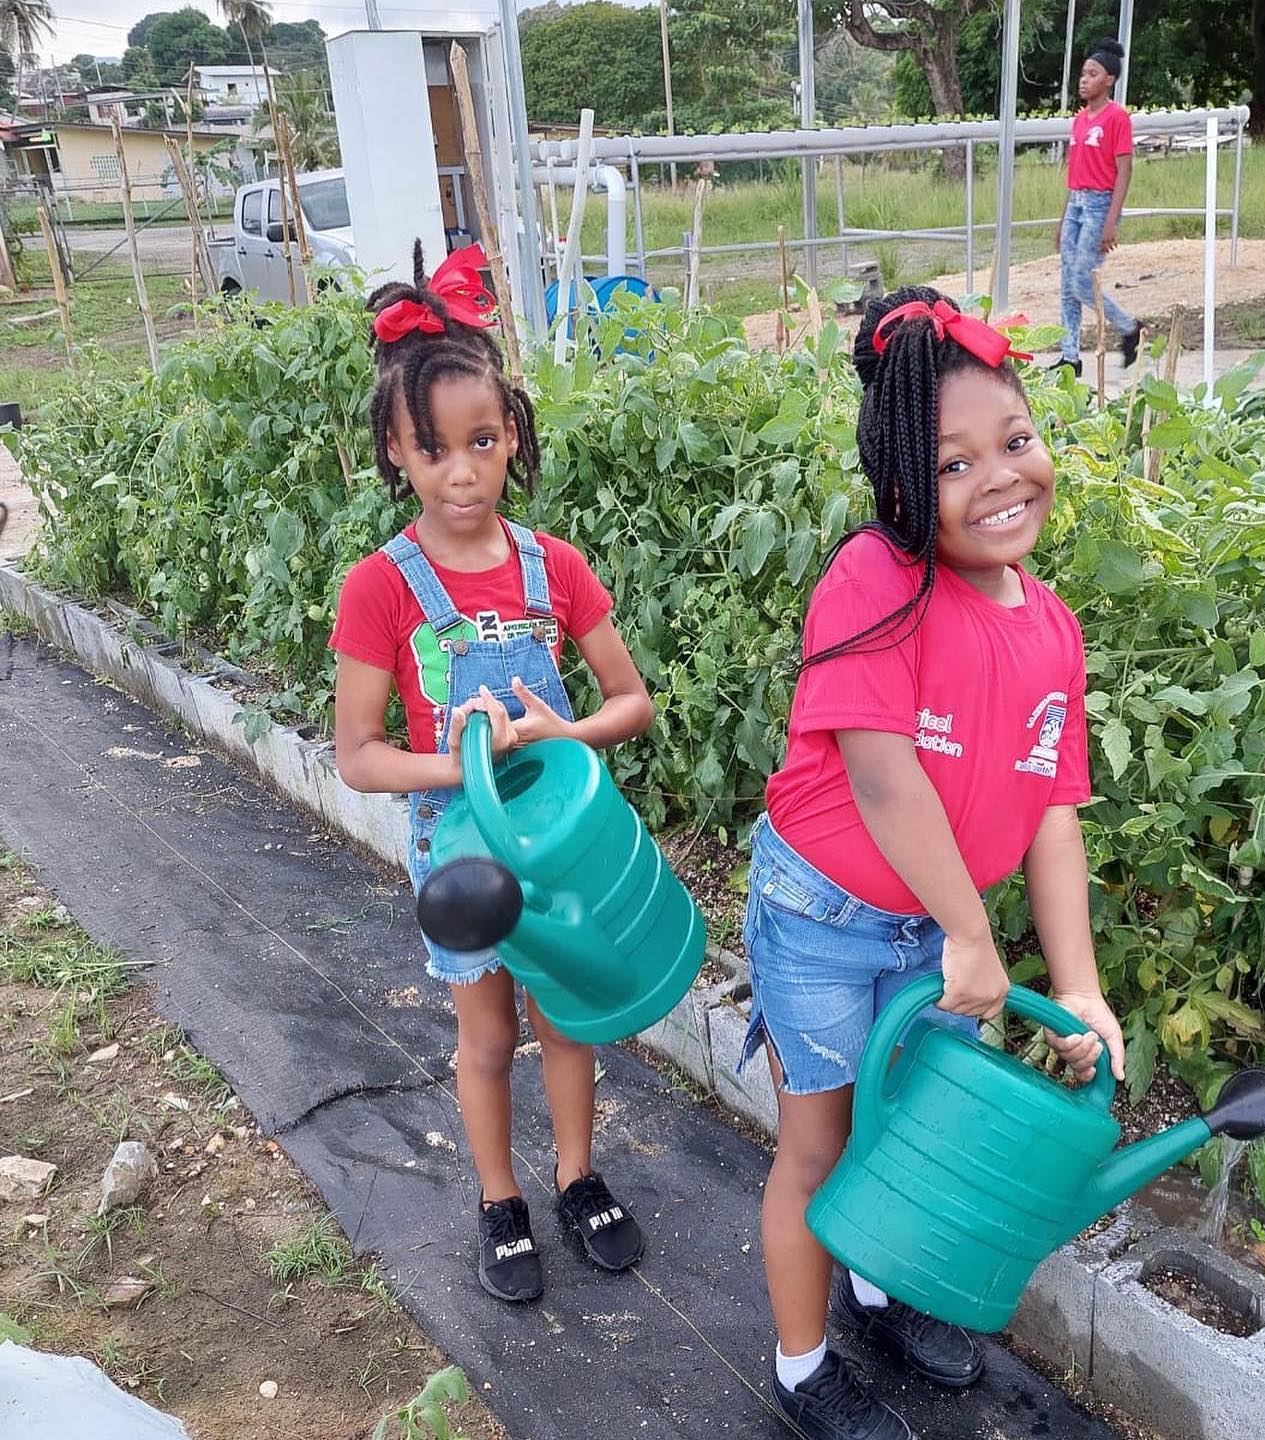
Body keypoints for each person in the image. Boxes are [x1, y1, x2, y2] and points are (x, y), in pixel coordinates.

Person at [741, 287, 1127, 1440]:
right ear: (906, 490)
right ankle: (802, 1365)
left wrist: (1079, 985)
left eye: (1015, 441)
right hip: (827, 913)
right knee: (817, 1143)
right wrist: (970, 933)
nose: (1002, 475)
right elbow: (883, 777)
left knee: (910, 1127)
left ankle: (877, 1287)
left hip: (939, 932)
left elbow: (1055, 811)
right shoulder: (877, 578)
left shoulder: (1051, 623)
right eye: (956, 464)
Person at [330, 243, 655, 1303]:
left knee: (566, 1015)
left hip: (561, 841)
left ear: (511, 431)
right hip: (459, 850)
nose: (461, 472)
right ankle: (499, 1198)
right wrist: (465, 761)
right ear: (396, 450)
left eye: (481, 442)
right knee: (484, 1034)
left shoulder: (551, 566)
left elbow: (630, 702)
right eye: (433, 451)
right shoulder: (379, 589)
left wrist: (553, 736)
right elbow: (360, 755)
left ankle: (577, 1175)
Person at [1052, 37, 1141, 377]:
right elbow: (1073, 175)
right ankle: (1070, 356)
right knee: (1067, 283)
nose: (1084, 79)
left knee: (1081, 281)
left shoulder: (1117, 118)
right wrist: (1063, 220)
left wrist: (1111, 221)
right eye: (1083, 73)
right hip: (1076, 202)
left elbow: (1125, 169)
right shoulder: (1079, 120)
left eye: (1093, 73)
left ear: (1110, 80)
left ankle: (1130, 326)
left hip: (1100, 204)